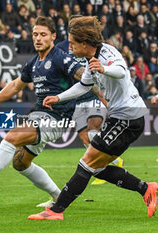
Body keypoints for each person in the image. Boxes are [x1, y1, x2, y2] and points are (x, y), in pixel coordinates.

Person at [28, 16, 158, 220]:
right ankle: (146, 188)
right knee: (96, 168)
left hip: (128, 117)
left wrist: (104, 68)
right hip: (120, 116)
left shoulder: (107, 53)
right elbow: (84, 85)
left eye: (72, 43)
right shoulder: (91, 59)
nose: (69, 47)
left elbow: (122, 72)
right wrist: (58, 97)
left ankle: (56, 211)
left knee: (87, 161)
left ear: (84, 44)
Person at [0, 16, 84, 207]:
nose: (38, 38)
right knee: (20, 163)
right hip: (40, 115)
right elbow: (14, 86)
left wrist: (104, 98)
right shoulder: (34, 62)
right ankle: (58, 197)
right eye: (35, 34)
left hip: (57, 118)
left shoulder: (60, 57)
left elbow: (84, 78)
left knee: (13, 135)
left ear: (53, 36)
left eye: (43, 35)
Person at [56, 38, 123, 186]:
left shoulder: (87, 53)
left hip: (93, 96)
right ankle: (112, 162)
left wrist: (106, 101)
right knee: (85, 137)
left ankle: (102, 167)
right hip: (77, 101)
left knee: (93, 130)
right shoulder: (64, 55)